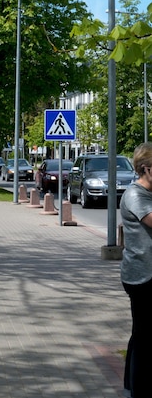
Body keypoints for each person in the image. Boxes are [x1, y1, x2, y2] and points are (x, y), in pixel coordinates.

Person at [120, 141, 152, 398]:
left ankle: (132, 385)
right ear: (146, 169)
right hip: (142, 276)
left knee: (141, 334)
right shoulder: (135, 195)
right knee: (144, 337)